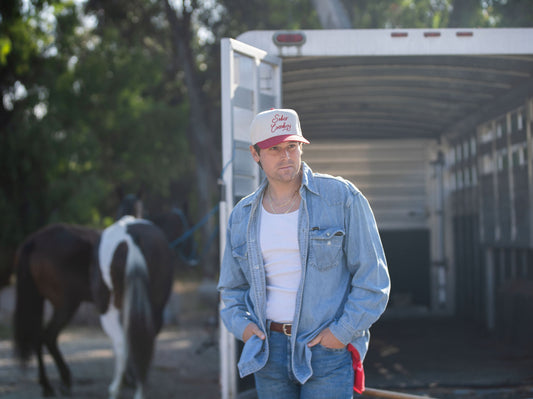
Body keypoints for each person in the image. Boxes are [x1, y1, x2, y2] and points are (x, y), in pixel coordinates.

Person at [217, 108, 390, 399]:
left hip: (326, 352)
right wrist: (246, 330)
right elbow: (231, 289)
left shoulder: (342, 198)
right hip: (267, 352)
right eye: (274, 149)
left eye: (292, 146)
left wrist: (340, 334)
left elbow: (374, 281)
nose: (286, 156)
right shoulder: (242, 215)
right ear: (255, 154)